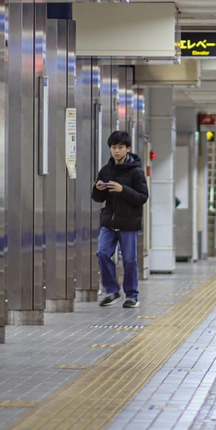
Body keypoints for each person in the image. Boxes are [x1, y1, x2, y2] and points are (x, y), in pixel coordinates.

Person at [91, 130, 150, 308]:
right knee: (102, 253)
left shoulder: (136, 172)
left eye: (120, 147)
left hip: (129, 222)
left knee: (129, 260)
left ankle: (132, 295)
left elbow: (142, 197)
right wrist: (98, 189)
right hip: (109, 221)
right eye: (113, 147)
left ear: (128, 149)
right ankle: (112, 290)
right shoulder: (106, 170)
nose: (116, 151)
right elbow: (97, 198)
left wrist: (123, 190)